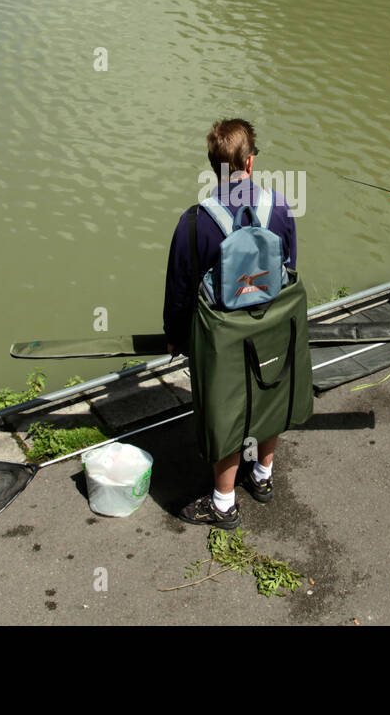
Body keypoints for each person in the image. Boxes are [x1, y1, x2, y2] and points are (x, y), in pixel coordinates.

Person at [163, 119, 297, 530]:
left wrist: (176, 337)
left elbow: (180, 289)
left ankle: (223, 503)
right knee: (270, 391)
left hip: (221, 335)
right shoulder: (279, 206)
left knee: (226, 410)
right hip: (272, 323)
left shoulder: (195, 220)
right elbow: (289, 267)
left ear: (212, 168)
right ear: (251, 162)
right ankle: (262, 477)